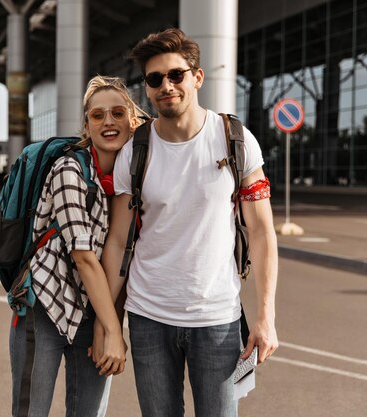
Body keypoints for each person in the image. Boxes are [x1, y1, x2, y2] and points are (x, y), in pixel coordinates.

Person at [100, 28, 279, 417]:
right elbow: (116, 241)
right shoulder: (136, 151)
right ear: (147, 88)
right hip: (148, 316)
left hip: (217, 319)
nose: (166, 86)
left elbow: (262, 233)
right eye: (155, 79)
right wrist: (109, 323)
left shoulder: (235, 140)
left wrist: (266, 316)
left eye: (176, 74)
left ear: (197, 77)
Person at [10, 75, 146, 417]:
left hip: (92, 312)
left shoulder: (135, 180)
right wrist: (114, 332)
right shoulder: (68, 170)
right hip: (43, 308)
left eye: (117, 113)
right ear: (86, 125)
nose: (108, 122)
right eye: (98, 116)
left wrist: (104, 323)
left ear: (132, 120)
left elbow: (123, 260)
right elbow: (84, 258)